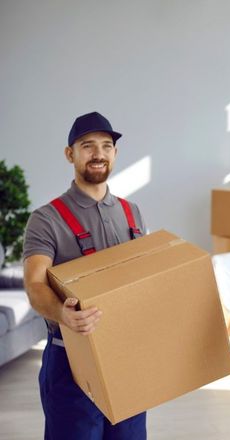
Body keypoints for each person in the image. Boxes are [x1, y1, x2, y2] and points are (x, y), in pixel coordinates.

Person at [23, 112, 147, 439]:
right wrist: (62, 313)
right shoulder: (46, 219)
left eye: (107, 146)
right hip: (71, 361)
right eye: (88, 145)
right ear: (70, 154)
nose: (99, 153)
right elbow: (35, 285)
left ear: (115, 155)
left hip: (127, 359)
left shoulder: (132, 213)